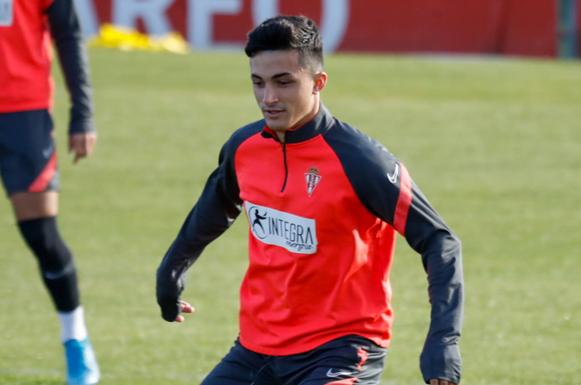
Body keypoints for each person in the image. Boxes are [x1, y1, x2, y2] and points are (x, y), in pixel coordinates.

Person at [156, 15, 464, 385]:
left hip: (342, 349)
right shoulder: (244, 148)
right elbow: (214, 210)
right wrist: (171, 270)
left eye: (284, 82)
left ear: (319, 82)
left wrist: (443, 342)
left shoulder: (361, 161)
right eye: (258, 82)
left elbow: (440, 241)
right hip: (257, 348)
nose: (268, 98)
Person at [0, 1, 100, 384]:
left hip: (22, 114)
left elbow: (69, 33)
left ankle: (76, 341)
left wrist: (83, 112)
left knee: (40, 235)